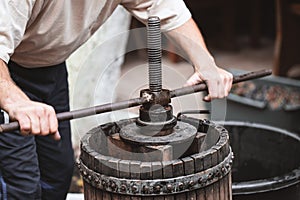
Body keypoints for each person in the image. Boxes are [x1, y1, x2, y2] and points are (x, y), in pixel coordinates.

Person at [0, 0, 233, 199]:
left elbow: (167, 9)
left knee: (57, 174)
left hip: (50, 69)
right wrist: (17, 102)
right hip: (6, 76)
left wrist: (206, 64)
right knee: (21, 186)